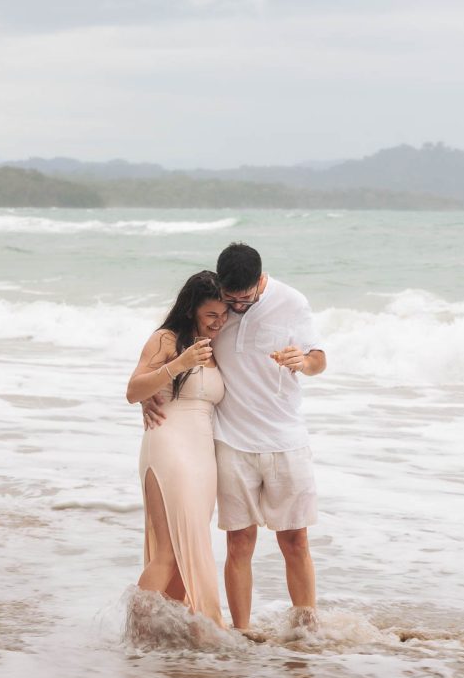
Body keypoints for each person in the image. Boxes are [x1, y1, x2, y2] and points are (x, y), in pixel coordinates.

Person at [144, 243, 326, 631]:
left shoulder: (292, 302)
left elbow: (319, 359)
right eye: (229, 301)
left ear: (260, 282)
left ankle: (307, 632)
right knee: (239, 544)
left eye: (244, 301)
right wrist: (150, 395)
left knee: (295, 541)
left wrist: (304, 362)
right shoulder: (216, 312)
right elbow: (164, 356)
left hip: (285, 440)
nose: (235, 310)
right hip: (230, 442)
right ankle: (242, 631)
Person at [126, 270, 228, 627]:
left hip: (203, 455)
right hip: (167, 443)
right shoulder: (167, 339)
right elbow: (134, 390)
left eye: (223, 314)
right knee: (170, 551)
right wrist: (178, 365)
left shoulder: (219, 344)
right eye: (211, 315)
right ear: (191, 311)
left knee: (189, 551)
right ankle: (136, 632)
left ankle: (168, 632)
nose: (219, 322)